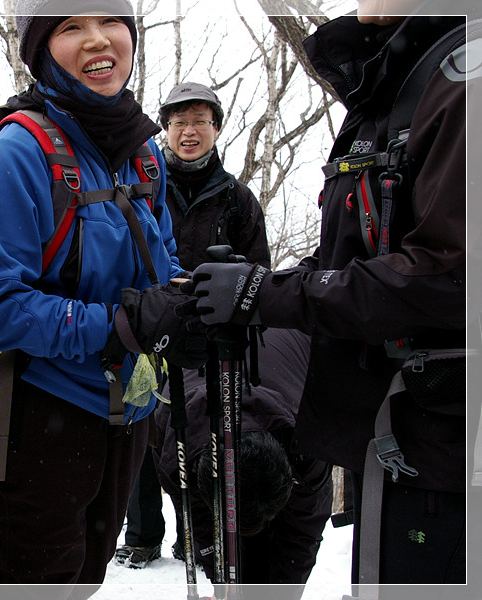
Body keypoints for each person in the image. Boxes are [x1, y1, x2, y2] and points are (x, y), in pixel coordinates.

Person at [191, 1, 469, 588]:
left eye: (201, 120)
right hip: (393, 434)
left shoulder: (465, 76)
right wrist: (250, 293)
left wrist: (264, 294)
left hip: (452, 447)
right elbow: (352, 258)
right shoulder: (395, 82)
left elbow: (453, 276)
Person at [0, 0, 205, 589]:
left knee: (87, 577)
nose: (98, 40)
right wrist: (119, 325)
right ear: (42, 49)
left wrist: (189, 297)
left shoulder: (144, 152)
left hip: (126, 412)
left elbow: (161, 256)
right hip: (41, 413)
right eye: (71, 27)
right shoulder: (19, 153)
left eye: (110, 21)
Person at [115, 81, 271, 569]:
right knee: (141, 428)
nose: (188, 132)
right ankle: (142, 535)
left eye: (199, 121)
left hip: (212, 340)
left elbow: (259, 273)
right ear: (165, 129)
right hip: (150, 326)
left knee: (202, 430)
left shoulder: (238, 199)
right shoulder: (143, 184)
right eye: (179, 122)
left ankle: (194, 530)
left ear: (216, 128)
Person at [154, 327, 332, 597]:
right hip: (209, 368)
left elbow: (302, 533)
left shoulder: (309, 443)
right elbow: (200, 525)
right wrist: (224, 588)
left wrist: (283, 594)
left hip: (290, 350)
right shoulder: (173, 446)